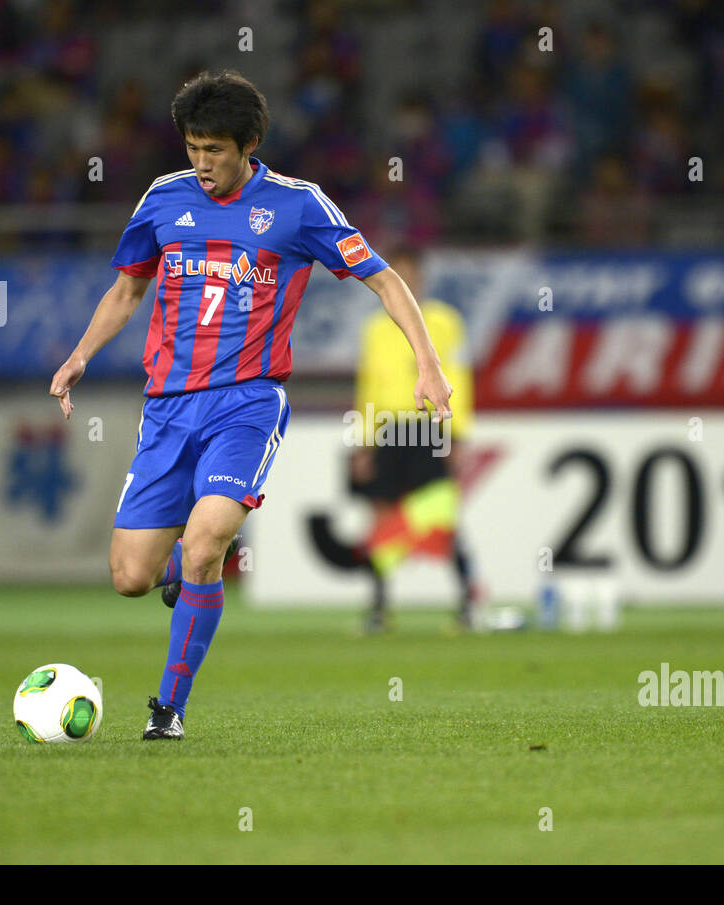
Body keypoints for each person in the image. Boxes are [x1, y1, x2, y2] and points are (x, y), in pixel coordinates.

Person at [48, 69, 453, 740]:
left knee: (208, 542)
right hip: (167, 409)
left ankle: (169, 707)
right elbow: (126, 290)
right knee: (129, 576)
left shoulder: (298, 206)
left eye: (216, 149)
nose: (202, 163)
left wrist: (429, 363)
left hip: (248, 402)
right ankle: (178, 568)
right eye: (193, 147)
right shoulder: (163, 199)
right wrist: (80, 354)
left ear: (251, 143)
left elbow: (382, 277)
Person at [350, 247, 479, 632]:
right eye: (397, 275)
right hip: (388, 429)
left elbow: (460, 376)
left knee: (441, 518)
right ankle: (378, 609)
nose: (404, 282)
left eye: (410, 274)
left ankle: (468, 605)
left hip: (428, 429)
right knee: (383, 520)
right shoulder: (373, 329)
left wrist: (457, 435)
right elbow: (368, 387)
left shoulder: (444, 322)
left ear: (421, 279)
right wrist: (364, 442)